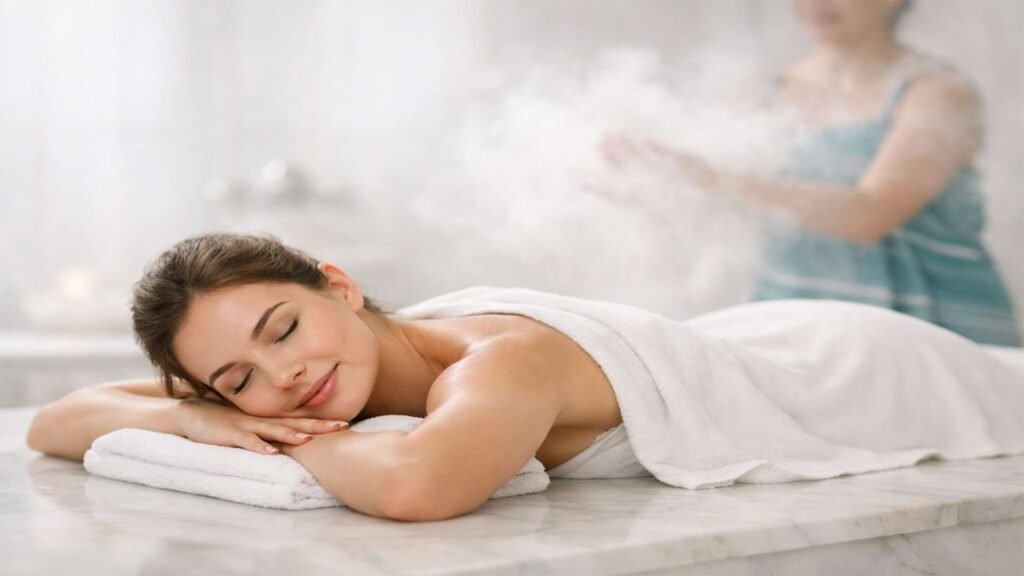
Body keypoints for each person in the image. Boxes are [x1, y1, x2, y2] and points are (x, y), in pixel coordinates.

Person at [26, 233, 1024, 521]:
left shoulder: (505, 361)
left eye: (282, 327)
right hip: (749, 333)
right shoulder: (288, 381)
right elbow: (58, 421)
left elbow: (420, 486)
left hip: (850, 366)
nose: (282, 378)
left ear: (337, 282)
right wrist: (206, 426)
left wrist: (282, 438)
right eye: (236, 379)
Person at [600, 0, 1021, 346]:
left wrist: (708, 180)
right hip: (801, 327)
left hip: (939, 335)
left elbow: (869, 214)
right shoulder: (762, 94)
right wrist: (662, 190)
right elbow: (737, 211)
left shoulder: (938, 92)